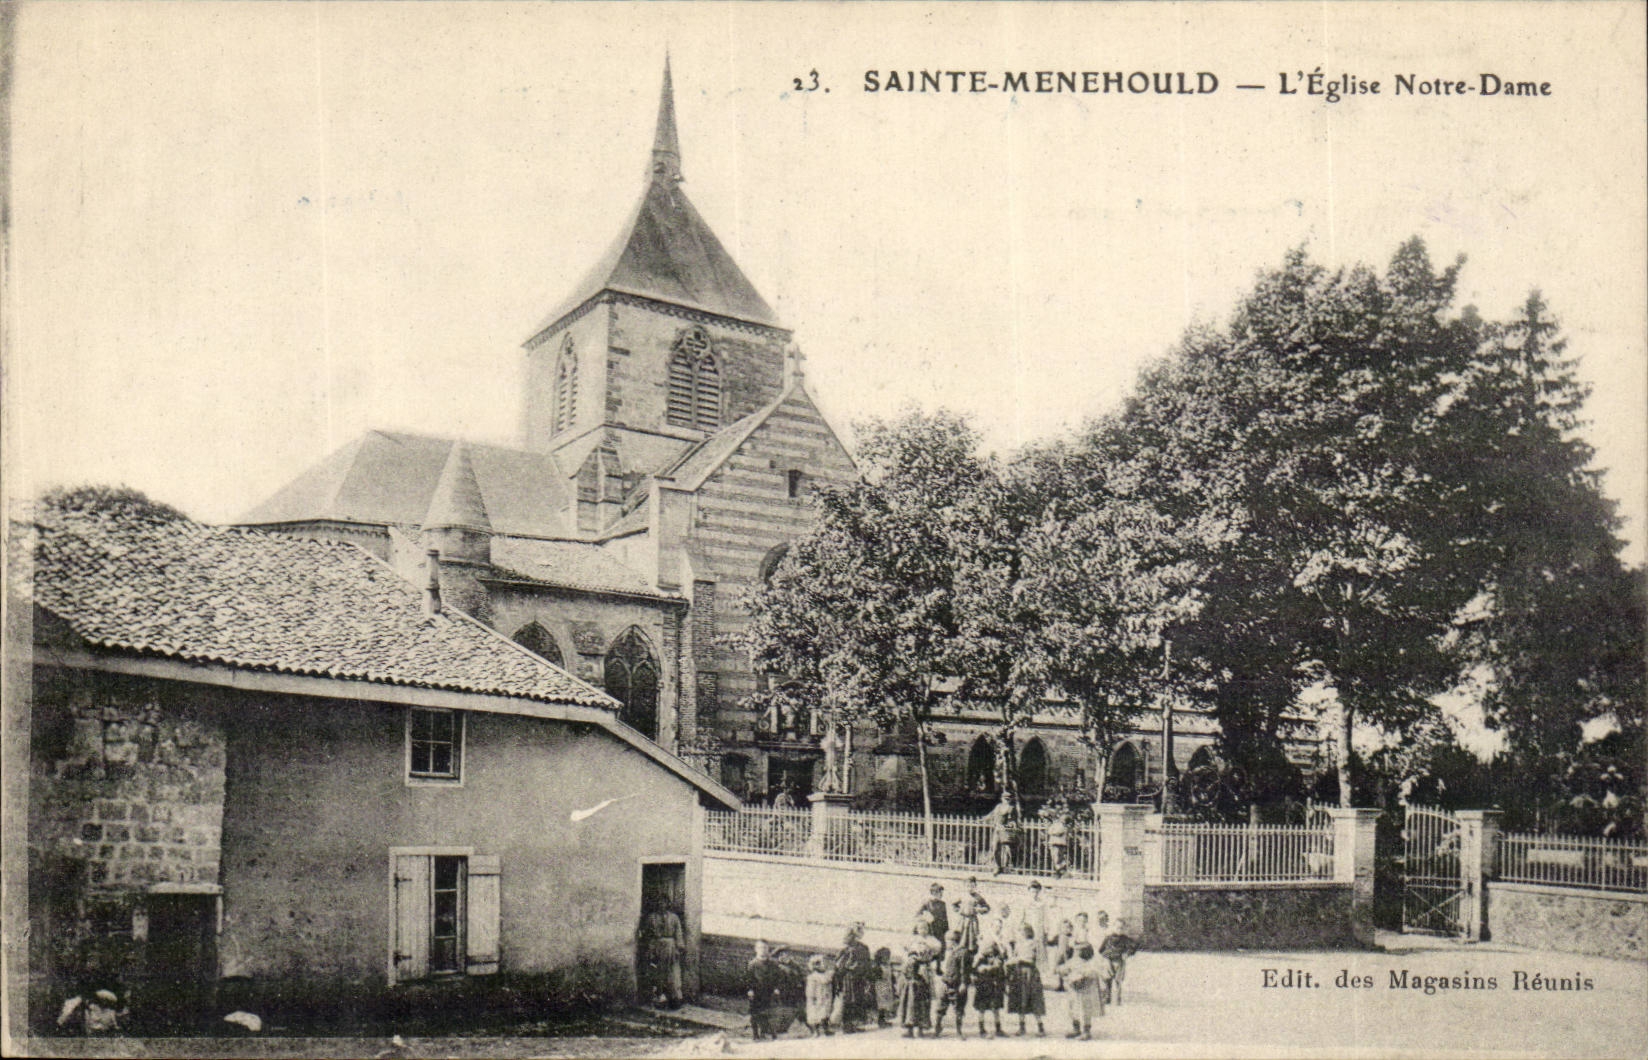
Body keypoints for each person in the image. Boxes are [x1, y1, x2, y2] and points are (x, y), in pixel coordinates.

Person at [637, 901, 684, 1007]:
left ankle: (674, 998)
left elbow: (678, 933)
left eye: (664, 903)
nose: (662, 905)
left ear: (667, 905)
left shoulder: (674, 918)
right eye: (659, 904)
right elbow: (647, 933)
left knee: (672, 972)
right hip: (656, 945)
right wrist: (650, 948)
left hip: (670, 945)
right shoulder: (652, 918)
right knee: (657, 972)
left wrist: (678, 948)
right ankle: (659, 998)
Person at [896, 920, 938, 1038]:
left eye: (925, 928)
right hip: (910, 984)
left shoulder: (930, 946)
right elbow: (905, 970)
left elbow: (934, 952)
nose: (923, 930)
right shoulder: (911, 957)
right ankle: (910, 1029)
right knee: (909, 1005)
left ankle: (920, 1028)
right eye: (921, 928)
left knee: (922, 1004)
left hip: (922, 983)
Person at [1006, 920, 1047, 1036]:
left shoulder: (1034, 943)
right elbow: (1015, 957)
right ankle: (1022, 1027)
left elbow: (1036, 959)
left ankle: (1040, 1028)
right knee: (1020, 1000)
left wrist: (1019, 959)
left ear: (1028, 931)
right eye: (1019, 930)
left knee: (1034, 999)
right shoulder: (1018, 944)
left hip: (1030, 973)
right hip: (1019, 974)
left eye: (1022, 930)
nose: (1020, 932)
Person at [832, 924, 875, 1032]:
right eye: (857, 931)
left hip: (860, 978)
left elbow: (867, 963)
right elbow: (838, 965)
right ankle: (847, 1024)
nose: (860, 934)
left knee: (859, 1000)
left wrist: (868, 977)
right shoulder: (845, 950)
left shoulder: (864, 948)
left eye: (861, 931)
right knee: (849, 1000)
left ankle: (857, 1024)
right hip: (848, 978)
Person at [1059, 942, 1104, 1039]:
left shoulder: (1090, 964)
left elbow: (1092, 975)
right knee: (1073, 1009)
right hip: (1073, 991)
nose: (1075, 953)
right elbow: (1063, 969)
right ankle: (1076, 1029)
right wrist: (1064, 972)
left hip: (1085, 992)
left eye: (1077, 951)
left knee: (1085, 1011)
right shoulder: (1072, 961)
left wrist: (1081, 977)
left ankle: (1086, 1031)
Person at [931, 928, 969, 1038]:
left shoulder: (962, 952)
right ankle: (937, 1028)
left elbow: (964, 970)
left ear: (954, 941)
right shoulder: (946, 952)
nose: (946, 943)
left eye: (948, 940)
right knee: (940, 1007)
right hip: (945, 983)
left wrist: (963, 983)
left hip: (957, 985)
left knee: (958, 1009)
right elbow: (940, 968)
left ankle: (959, 1031)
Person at [970, 930, 1007, 1038]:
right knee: (981, 1009)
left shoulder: (997, 957)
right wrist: (979, 965)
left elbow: (998, 966)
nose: (990, 950)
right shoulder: (980, 958)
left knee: (996, 1009)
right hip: (983, 987)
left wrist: (986, 968)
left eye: (992, 947)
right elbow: (973, 969)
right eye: (988, 947)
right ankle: (981, 1029)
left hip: (994, 986)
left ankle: (998, 1028)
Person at [1097, 914, 1140, 1006]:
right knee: (1106, 979)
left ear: (1124, 929)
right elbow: (1100, 949)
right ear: (1113, 927)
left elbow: (1134, 946)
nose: (1119, 930)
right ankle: (1106, 998)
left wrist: (1127, 953)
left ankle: (1117, 999)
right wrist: (1105, 957)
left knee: (1117, 980)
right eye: (1117, 927)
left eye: (1121, 928)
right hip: (1108, 961)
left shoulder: (1125, 939)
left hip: (1119, 961)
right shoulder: (1108, 938)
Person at [747, 940, 785, 1040]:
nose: (763, 950)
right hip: (756, 992)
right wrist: (750, 990)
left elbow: (779, 977)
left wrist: (777, 988)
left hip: (769, 992)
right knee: (755, 1013)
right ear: (756, 949)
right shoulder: (752, 964)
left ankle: (765, 1032)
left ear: (768, 949)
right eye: (760, 948)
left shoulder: (773, 964)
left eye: (765, 948)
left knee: (768, 1012)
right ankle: (755, 1034)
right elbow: (748, 979)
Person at [952, 876, 991, 960]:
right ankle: (960, 956)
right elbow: (954, 904)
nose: (970, 888)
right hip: (962, 920)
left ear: (975, 886)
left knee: (972, 940)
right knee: (960, 938)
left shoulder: (978, 897)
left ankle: (970, 957)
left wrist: (979, 909)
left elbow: (987, 908)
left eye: (972, 886)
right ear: (965, 886)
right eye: (968, 886)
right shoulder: (962, 896)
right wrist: (959, 910)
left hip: (972, 921)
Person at [986, 794, 1017, 874]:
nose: (1006, 800)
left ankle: (1010, 866)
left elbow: (1012, 820)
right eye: (1005, 798)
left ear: (1011, 799)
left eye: (1008, 799)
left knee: (1008, 849)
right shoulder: (998, 806)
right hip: (997, 830)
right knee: (995, 848)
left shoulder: (1011, 808)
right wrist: (983, 819)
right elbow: (992, 814)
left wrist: (1008, 825)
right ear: (1002, 799)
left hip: (1005, 830)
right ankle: (998, 867)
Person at [804, 954, 835, 1036]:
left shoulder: (827, 975)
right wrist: (812, 997)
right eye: (822, 963)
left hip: (825, 996)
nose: (824, 965)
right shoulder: (813, 977)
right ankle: (815, 1031)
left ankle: (825, 1029)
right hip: (816, 997)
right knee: (815, 1014)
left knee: (825, 1013)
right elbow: (810, 989)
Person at [918, 883, 950, 956]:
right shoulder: (927, 903)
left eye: (942, 893)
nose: (941, 895)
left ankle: (938, 966)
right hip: (930, 930)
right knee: (929, 948)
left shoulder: (943, 904)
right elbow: (918, 915)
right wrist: (926, 917)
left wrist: (945, 929)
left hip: (940, 931)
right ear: (933, 893)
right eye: (939, 893)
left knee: (941, 949)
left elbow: (945, 918)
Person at [871, 947, 899, 1028]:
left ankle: (884, 1019)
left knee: (887, 1003)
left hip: (887, 985)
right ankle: (881, 1021)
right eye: (885, 956)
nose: (886, 958)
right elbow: (875, 977)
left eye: (888, 956)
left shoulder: (888, 966)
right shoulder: (878, 966)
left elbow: (892, 976)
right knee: (881, 1004)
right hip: (880, 986)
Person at [1049, 917, 1076, 991]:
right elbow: (1051, 943)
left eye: (1068, 927)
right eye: (1063, 927)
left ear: (1071, 928)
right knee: (1060, 970)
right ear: (1060, 928)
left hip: (1068, 954)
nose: (1066, 929)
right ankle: (1060, 985)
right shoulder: (1059, 936)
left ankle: (1071, 985)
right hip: (1060, 955)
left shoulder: (1071, 937)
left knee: (1069, 970)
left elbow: (1072, 946)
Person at [1046, 803, 1070, 877]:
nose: (1062, 820)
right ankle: (1059, 872)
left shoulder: (1065, 826)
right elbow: (1049, 831)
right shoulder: (1056, 824)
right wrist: (1055, 832)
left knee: (1058, 858)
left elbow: (1060, 832)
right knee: (1055, 858)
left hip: (1060, 843)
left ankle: (1060, 871)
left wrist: (1054, 832)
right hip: (1054, 843)